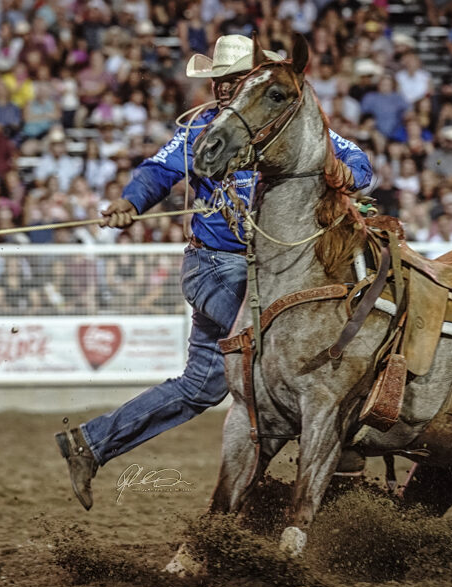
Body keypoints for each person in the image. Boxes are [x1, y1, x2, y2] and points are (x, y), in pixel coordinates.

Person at [55, 35, 373, 511]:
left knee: (201, 387)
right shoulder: (204, 128)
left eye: (233, 79)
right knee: (273, 353)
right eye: (217, 81)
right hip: (214, 268)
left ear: (252, 80)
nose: (223, 88)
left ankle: (92, 442)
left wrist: (352, 174)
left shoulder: (277, 127)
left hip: (258, 273)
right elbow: (158, 172)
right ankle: (332, 441)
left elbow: (354, 158)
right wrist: (130, 202)